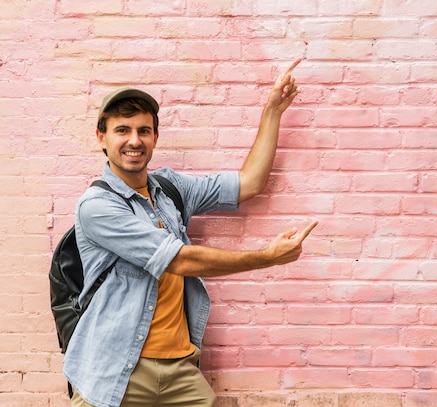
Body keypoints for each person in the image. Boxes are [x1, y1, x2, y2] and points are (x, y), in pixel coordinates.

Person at [63, 58, 317, 407]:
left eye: (143, 130)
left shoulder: (170, 190)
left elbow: (249, 182)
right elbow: (180, 261)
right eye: (122, 130)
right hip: (114, 370)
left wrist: (272, 111)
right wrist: (267, 258)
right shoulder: (96, 206)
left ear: (154, 136)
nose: (133, 140)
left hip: (180, 369)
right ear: (101, 137)